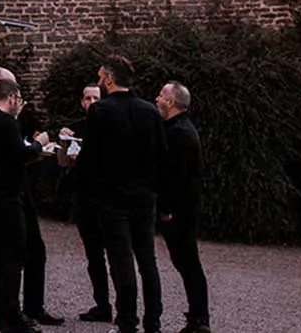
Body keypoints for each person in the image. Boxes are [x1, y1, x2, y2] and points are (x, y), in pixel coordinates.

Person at [75, 56, 165, 333]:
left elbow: (90, 158)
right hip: (143, 196)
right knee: (147, 260)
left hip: (113, 197)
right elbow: (161, 155)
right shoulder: (149, 111)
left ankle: (127, 321)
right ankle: (153, 320)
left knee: (121, 259)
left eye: (101, 77)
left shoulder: (100, 111)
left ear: (110, 79)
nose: (99, 81)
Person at [0, 71, 54, 333]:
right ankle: (11, 314)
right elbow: (21, 155)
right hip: (7, 197)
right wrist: (39, 144)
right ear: (11, 98)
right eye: (18, 100)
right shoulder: (6, 122)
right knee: (12, 257)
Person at [156, 82, 210, 333]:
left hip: (181, 211)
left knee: (188, 263)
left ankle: (199, 319)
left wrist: (166, 209)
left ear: (170, 102)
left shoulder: (179, 133)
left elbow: (175, 177)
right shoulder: (177, 129)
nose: (157, 99)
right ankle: (198, 317)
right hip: (183, 208)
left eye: (161, 96)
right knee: (185, 262)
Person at [60, 84, 112, 323]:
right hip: (85, 199)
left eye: (95, 98)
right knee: (94, 256)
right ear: (82, 102)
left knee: (115, 255)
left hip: (107, 199)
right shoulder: (77, 127)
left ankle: (122, 307)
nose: (91, 102)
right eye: (87, 98)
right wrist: (65, 144)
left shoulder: (112, 126)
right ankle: (102, 304)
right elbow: (62, 163)